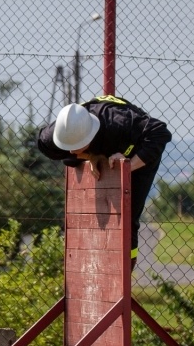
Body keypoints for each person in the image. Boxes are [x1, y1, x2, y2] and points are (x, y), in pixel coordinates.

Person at [36, 95, 172, 269]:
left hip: (136, 147)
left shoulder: (118, 123)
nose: (73, 150)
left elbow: (160, 132)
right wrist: (90, 155)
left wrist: (127, 166)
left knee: (128, 215)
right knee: (71, 161)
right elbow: (44, 143)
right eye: (69, 146)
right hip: (100, 143)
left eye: (78, 146)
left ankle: (125, 270)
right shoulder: (52, 137)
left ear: (90, 136)